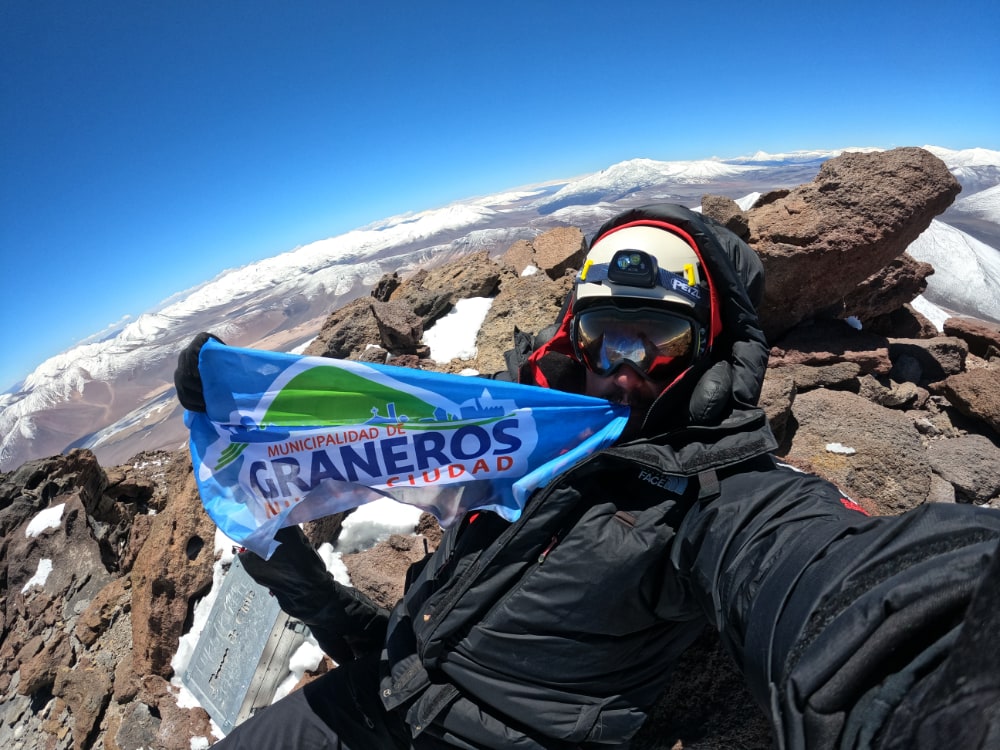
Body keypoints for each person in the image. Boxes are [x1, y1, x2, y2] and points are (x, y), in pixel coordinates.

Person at [175, 203, 1000, 749]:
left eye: (661, 343)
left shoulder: (718, 500)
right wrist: (286, 556)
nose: (626, 371)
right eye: (609, 337)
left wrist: (953, 679)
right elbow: (424, 634)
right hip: (377, 700)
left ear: (710, 358)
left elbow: (831, 581)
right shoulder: (505, 445)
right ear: (574, 337)